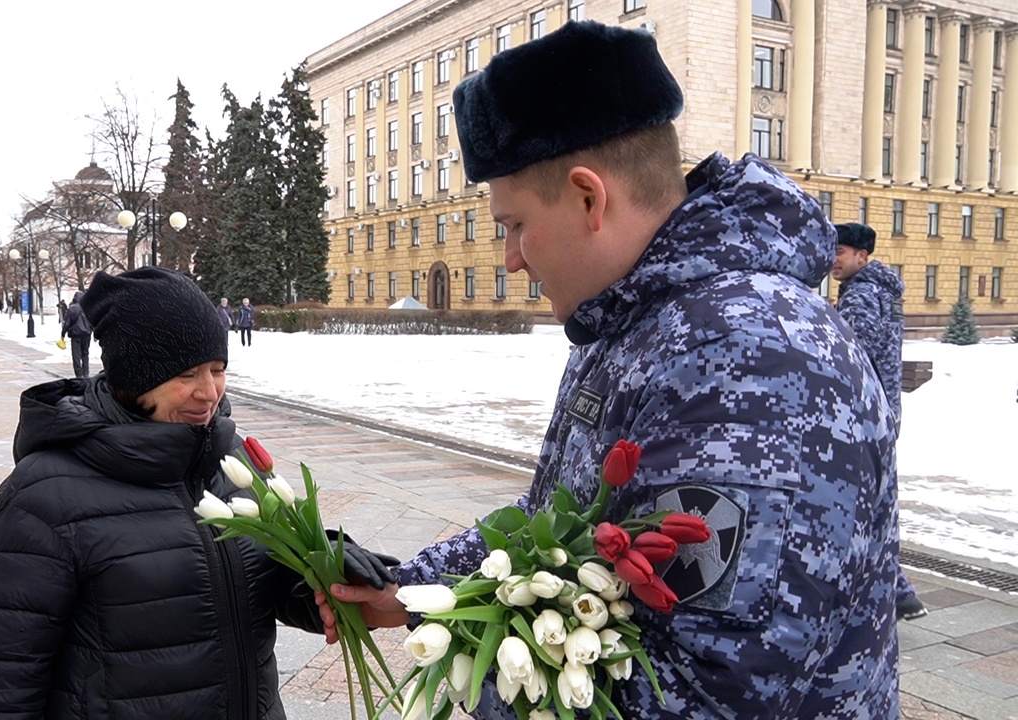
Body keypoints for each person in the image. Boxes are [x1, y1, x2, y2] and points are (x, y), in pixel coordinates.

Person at [325, 20, 900, 719]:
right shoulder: (636, 321)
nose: (511, 258)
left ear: (588, 197)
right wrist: (414, 591)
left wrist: (484, 692)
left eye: (513, 225)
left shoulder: (744, 357)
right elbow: (558, 529)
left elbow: (700, 692)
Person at [0, 267, 394, 720]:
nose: (209, 392)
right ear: (134, 377)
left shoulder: (231, 459)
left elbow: (263, 580)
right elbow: (1, 680)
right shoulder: (44, 495)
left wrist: (325, 569)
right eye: (186, 374)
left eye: (218, 369)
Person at [832, 222, 926, 621]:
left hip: (863, 416)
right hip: (882, 413)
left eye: (842, 252)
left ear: (861, 257)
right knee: (874, 504)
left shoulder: (862, 296)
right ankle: (901, 592)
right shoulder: (879, 290)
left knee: (861, 506)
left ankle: (895, 592)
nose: (833, 259)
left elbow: (851, 357)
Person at [61, 290, 94, 379]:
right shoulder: (88, 308)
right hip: (87, 334)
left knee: (76, 355)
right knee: (85, 354)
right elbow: (92, 321)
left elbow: (67, 323)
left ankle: (79, 374)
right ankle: (86, 373)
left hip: (76, 335)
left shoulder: (71, 308)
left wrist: (63, 334)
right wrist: (94, 332)